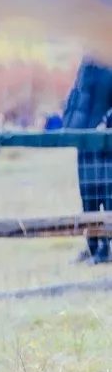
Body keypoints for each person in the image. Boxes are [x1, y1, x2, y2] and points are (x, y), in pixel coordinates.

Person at [63, 57, 112, 264]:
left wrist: (107, 121)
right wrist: (69, 122)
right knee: (89, 195)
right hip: (85, 139)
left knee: (108, 194)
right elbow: (78, 95)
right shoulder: (86, 63)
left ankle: (106, 248)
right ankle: (92, 245)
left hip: (106, 140)